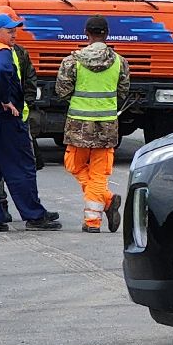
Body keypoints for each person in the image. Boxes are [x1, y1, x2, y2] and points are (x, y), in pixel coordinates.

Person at [0, 12, 60, 232]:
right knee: (20, 166)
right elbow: (1, 72)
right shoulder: (2, 51)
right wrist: (5, 100)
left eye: (15, 31)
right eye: (9, 32)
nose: (14, 35)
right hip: (5, 118)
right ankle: (34, 216)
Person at [55, 15, 130, 233]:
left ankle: (94, 220)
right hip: (107, 125)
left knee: (73, 164)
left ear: (86, 34)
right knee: (99, 173)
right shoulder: (119, 61)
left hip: (78, 124)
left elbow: (62, 91)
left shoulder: (72, 61)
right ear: (107, 34)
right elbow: (123, 91)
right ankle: (104, 202)